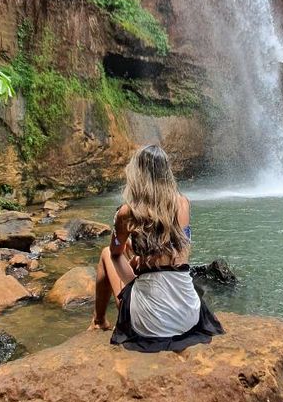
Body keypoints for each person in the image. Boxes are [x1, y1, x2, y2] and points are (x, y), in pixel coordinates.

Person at [90, 144, 224, 352]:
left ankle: (99, 321)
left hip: (151, 325)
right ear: (166, 172)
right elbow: (181, 255)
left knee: (106, 253)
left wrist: (133, 281)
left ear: (137, 174)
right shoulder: (182, 203)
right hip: (188, 316)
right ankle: (105, 316)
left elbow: (116, 254)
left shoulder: (126, 212)